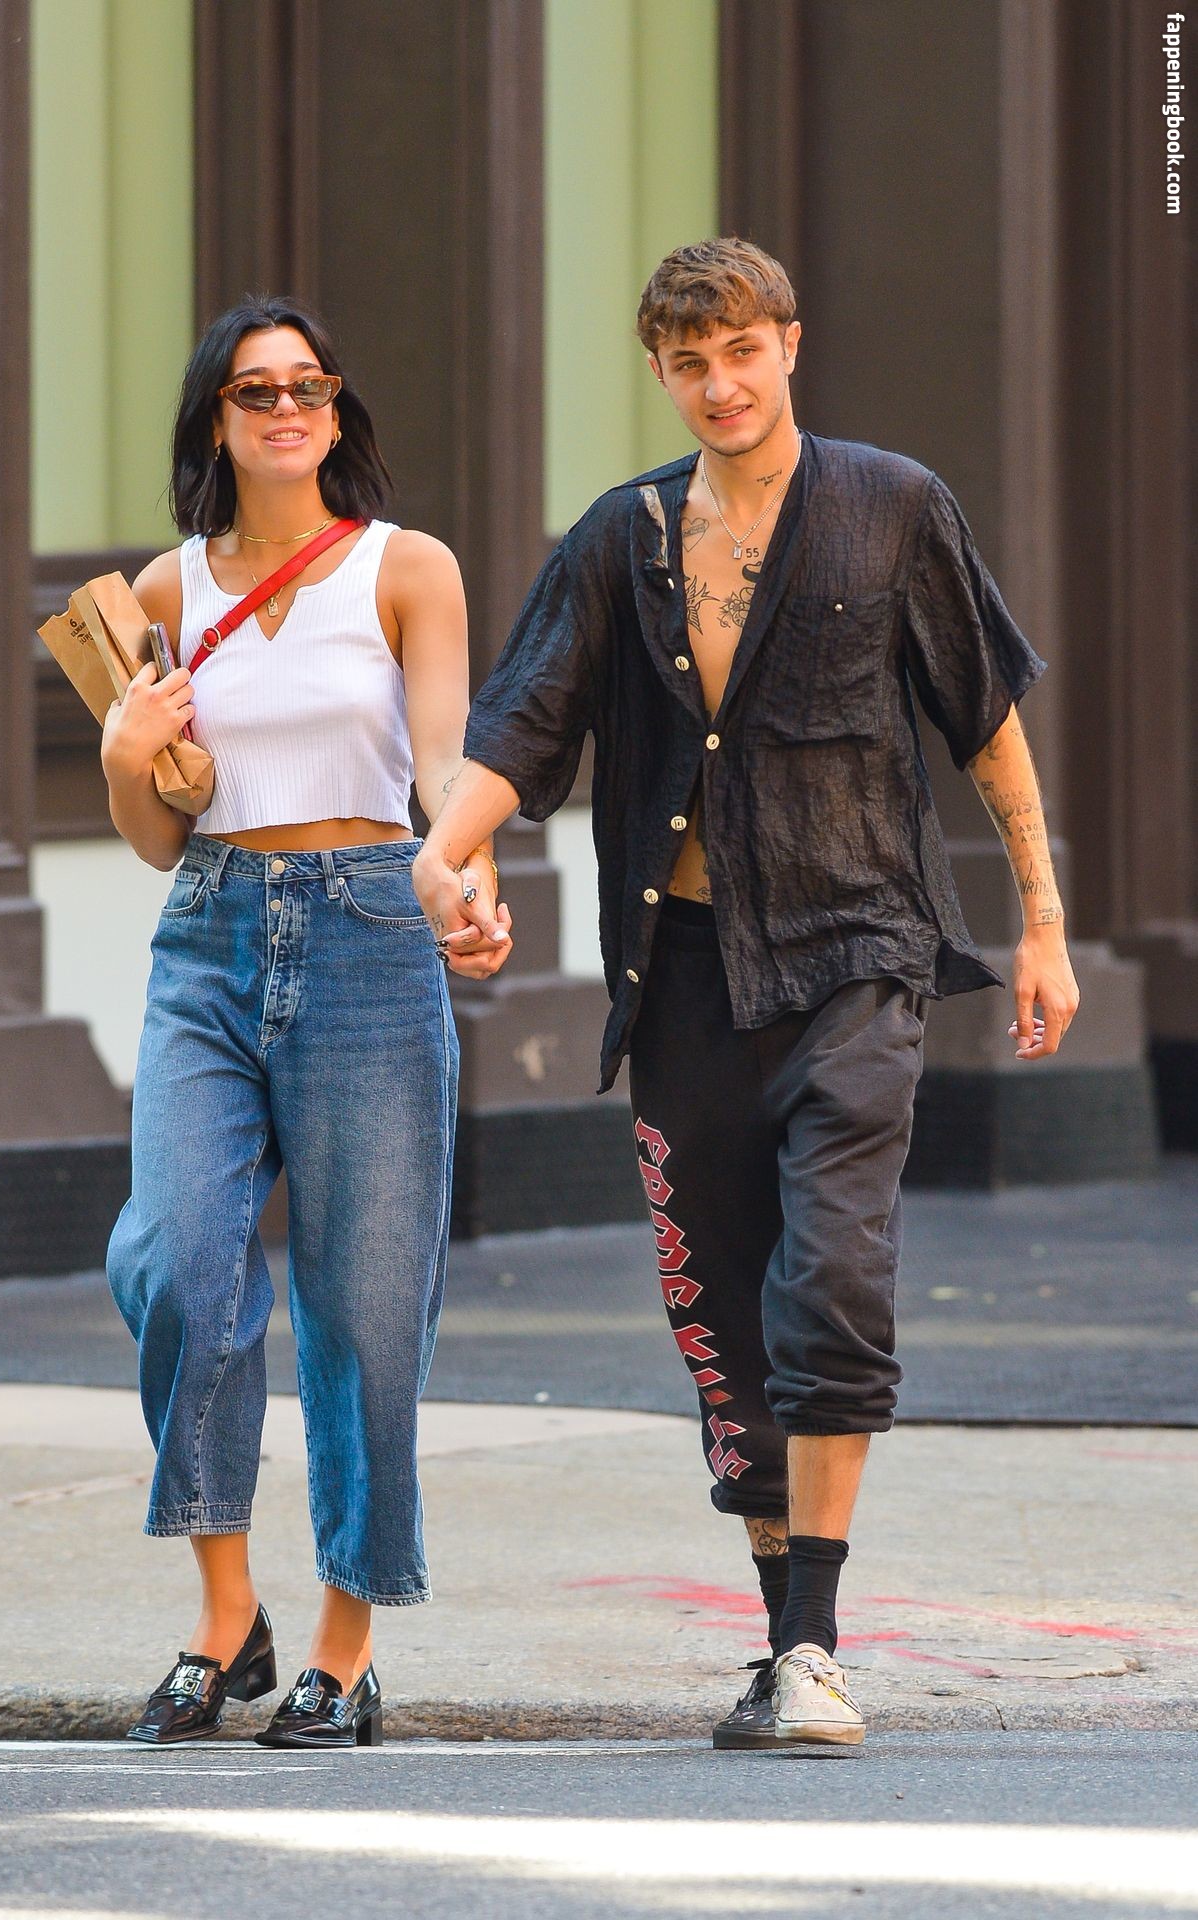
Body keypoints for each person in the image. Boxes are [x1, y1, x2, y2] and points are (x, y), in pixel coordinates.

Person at [412, 238, 1079, 1749]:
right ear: (659, 372)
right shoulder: (620, 536)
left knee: (830, 1281)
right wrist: (441, 859)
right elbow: (521, 726)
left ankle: (816, 1646)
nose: (719, 385)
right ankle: (784, 1634)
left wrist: (1041, 922)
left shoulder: (892, 505)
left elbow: (984, 719)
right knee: (718, 1305)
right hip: (685, 975)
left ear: (789, 344)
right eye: (688, 362)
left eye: (741, 352)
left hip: (858, 955)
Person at [103, 296, 510, 1749]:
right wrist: (123, 755)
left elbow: (446, 764)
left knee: (366, 1304)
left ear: (337, 413)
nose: (286, 408)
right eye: (254, 389)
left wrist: (463, 877)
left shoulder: (409, 568)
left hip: (369, 934)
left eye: (309, 386)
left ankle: (349, 1640)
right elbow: (156, 835)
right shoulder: (162, 593)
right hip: (208, 934)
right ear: (214, 419)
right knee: (176, 1263)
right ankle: (228, 1617)